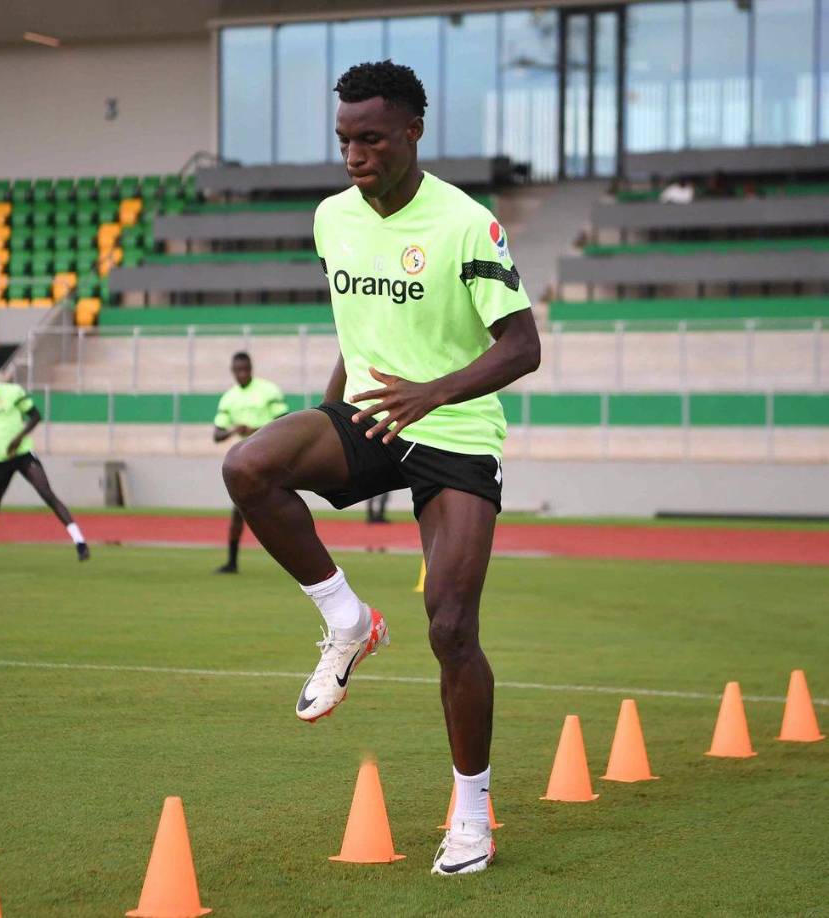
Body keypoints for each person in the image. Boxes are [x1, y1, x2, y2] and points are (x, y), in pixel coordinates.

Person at [222, 61, 541, 875]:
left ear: (411, 133)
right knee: (250, 465)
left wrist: (433, 393)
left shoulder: (467, 224)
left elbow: (521, 346)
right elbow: (356, 330)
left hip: (457, 426)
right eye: (344, 140)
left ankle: (471, 815)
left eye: (370, 138)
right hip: (371, 415)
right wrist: (327, 415)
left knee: (450, 626)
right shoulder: (333, 219)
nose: (355, 155)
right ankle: (347, 621)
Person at [0, 365, 89, 568]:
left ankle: (80, 542)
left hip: (23, 455)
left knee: (47, 494)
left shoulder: (12, 392)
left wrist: (18, 439)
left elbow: (36, 416)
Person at [212, 352, 288, 573]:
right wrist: (234, 430)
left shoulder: (268, 390)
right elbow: (217, 435)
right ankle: (232, 561)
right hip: (246, 462)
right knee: (240, 511)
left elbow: (284, 420)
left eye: (246, 369)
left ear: (251, 368)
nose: (242, 373)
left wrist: (254, 430)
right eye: (238, 370)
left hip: (271, 455)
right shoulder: (229, 398)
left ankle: (296, 557)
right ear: (233, 371)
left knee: (279, 508)